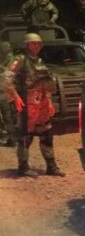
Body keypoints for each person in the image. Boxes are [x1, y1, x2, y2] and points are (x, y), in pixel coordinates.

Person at [5, 33, 63, 177]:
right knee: (26, 136)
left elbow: (47, 84)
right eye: (33, 44)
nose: (36, 46)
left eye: (38, 44)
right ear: (26, 45)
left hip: (41, 103)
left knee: (47, 134)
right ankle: (23, 168)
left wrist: (49, 101)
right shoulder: (20, 60)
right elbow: (6, 79)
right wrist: (15, 97)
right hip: (27, 103)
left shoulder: (40, 61)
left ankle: (51, 166)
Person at [0, 42, 16, 146]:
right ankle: (10, 138)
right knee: (7, 116)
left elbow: (10, 73)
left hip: (5, 93)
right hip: (4, 93)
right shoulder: (4, 60)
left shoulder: (12, 60)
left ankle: (11, 139)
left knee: (8, 116)